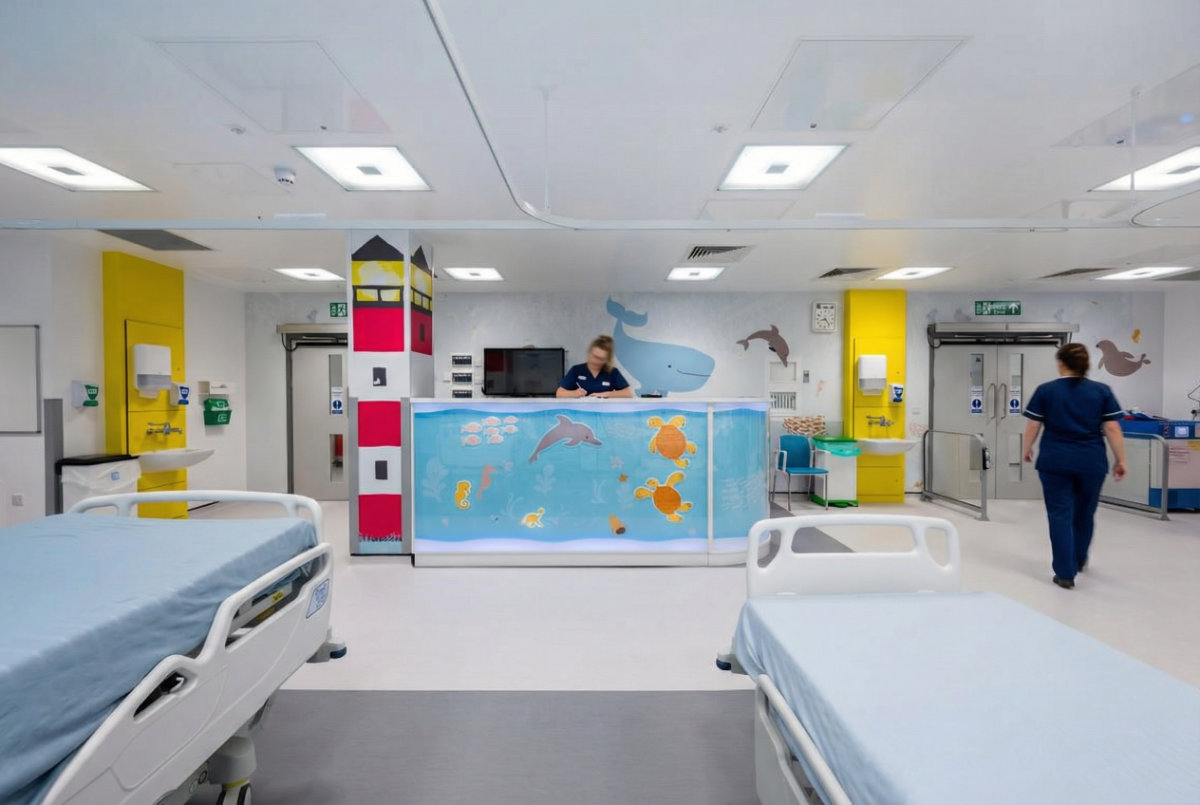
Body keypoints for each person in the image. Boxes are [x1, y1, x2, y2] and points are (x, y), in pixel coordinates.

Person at [1022, 343, 1127, 589]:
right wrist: (1121, 459)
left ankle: (1065, 573)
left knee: (1060, 514)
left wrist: (1027, 448)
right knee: (1085, 513)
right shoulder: (1101, 391)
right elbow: (1112, 427)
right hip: (1091, 463)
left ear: (1061, 363)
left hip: (1055, 461)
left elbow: (1033, 425)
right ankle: (1078, 560)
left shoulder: (1046, 391)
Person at [556, 335, 634, 399]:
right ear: (590, 352)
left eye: (601, 359)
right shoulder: (576, 370)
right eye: (594, 356)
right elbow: (559, 393)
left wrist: (607, 394)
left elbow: (628, 394)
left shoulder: (612, 372)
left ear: (606, 359)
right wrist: (575, 393)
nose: (596, 361)